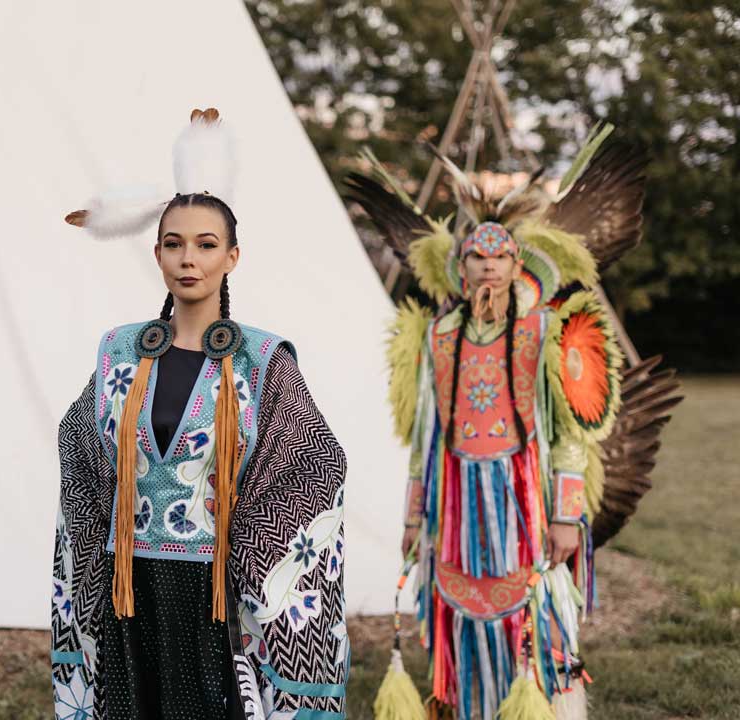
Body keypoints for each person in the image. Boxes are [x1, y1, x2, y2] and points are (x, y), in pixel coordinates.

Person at [51, 110, 349, 719]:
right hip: (125, 587)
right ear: (156, 252)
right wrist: (99, 542)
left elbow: (315, 460)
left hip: (217, 592)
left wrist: (250, 546)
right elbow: (80, 449)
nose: (189, 258)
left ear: (232, 257)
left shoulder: (262, 359)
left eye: (206, 245)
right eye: (174, 243)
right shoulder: (119, 350)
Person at [346, 134, 651, 719]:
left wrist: (566, 516)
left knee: (533, 607)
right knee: (459, 608)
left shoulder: (542, 332)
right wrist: (415, 517)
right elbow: (424, 437)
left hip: (524, 497)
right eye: (477, 259)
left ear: (517, 265)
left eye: (498, 258)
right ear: (460, 268)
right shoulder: (439, 336)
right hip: (455, 499)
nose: (487, 268)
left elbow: (566, 433)